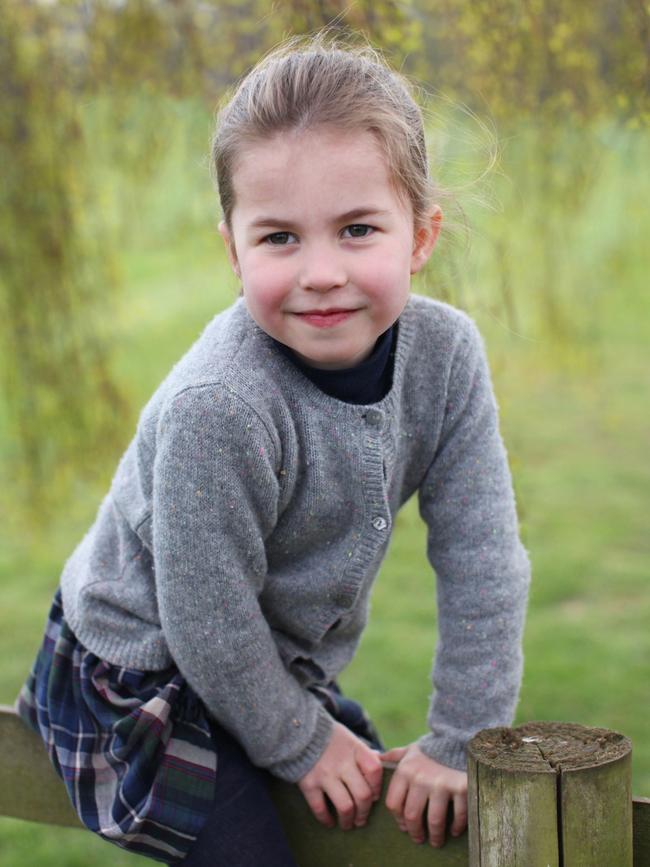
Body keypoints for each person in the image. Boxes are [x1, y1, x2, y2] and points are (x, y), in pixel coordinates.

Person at [15, 33, 530, 866]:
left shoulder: (447, 357)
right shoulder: (219, 405)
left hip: (262, 660)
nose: (320, 271)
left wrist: (461, 736)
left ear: (422, 235)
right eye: (279, 238)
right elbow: (205, 619)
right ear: (232, 249)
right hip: (140, 673)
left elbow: (483, 557)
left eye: (358, 229)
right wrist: (302, 742)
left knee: (381, 805)